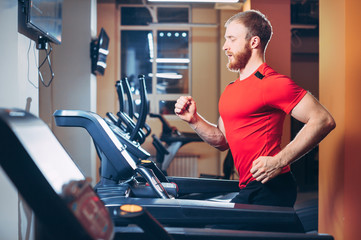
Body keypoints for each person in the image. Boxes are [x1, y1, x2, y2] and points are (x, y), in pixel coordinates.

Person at [174, 10, 335, 208]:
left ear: (254, 42)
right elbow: (222, 140)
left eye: (232, 39)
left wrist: (279, 161)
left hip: (270, 187)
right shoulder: (231, 89)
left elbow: (322, 120)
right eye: (226, 40)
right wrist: (194, 120)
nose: (225, 47)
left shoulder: (272, 83)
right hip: (249, 186)